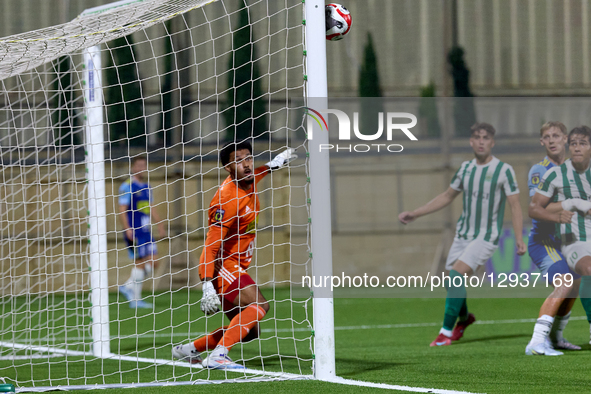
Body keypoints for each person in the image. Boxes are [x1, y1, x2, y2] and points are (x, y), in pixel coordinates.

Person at [399, 122, 526, 346]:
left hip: (487, 235)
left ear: (492, 142)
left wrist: (518, 238)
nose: (481, 141)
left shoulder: (503, 170)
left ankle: (445, 333)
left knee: (457, 275)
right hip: (463, 234)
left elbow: (515, 205)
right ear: (471, 142)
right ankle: (465, 319)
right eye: (477, 137)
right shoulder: (465, 169)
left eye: (485, 137)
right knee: (451, 281)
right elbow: (447, 196)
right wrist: (416, 213)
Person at [172, 141, 297, 369]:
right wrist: (207, 284)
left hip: (236, 266)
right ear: (228, 168)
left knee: (250, 333)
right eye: (238, 161)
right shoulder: (226, 199)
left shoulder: (247, 180)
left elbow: (256, 174)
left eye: (248, 157)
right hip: (224, 266)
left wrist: (274, 164)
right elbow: (210, 246)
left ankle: (189, 350)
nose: (247, 164)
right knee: (260, 305)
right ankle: (218, 356)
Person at [530, 125, 591, 348]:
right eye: (547, 137)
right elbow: (535, 207)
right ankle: (537, 342)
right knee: (576, 277)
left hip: (577, 237)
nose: (576, 148)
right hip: (559, 240)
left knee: (574, 284)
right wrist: (570, 205)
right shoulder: (548, 172)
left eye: (582, 143)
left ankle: (555, 337)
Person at [118, 156, 165, 309]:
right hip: (135, 231)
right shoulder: (127, 186)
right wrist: (127, 229)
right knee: (140, 263)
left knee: (154, 263)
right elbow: (122, 210)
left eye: (144, 165)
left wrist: (160, 225)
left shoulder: (147, 186)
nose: (141, 168)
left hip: (146, 231)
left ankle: (127, 286)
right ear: (133, 167)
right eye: (138, 165)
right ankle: (135, 300)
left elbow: (151, 207)